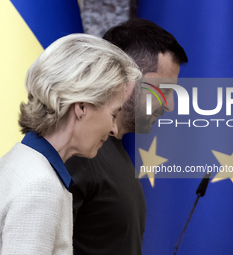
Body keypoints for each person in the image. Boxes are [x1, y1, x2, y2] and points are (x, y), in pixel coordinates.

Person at [0, 33, 141, 255]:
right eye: (114, 113)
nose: (114, 129)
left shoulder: (17, 162)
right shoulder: (41, 186)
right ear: (82, 107)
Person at [65, 19, 188, 255]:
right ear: (127, 79)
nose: (170, 105)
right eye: (164, 90)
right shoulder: (79, 152)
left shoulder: (110, 152)